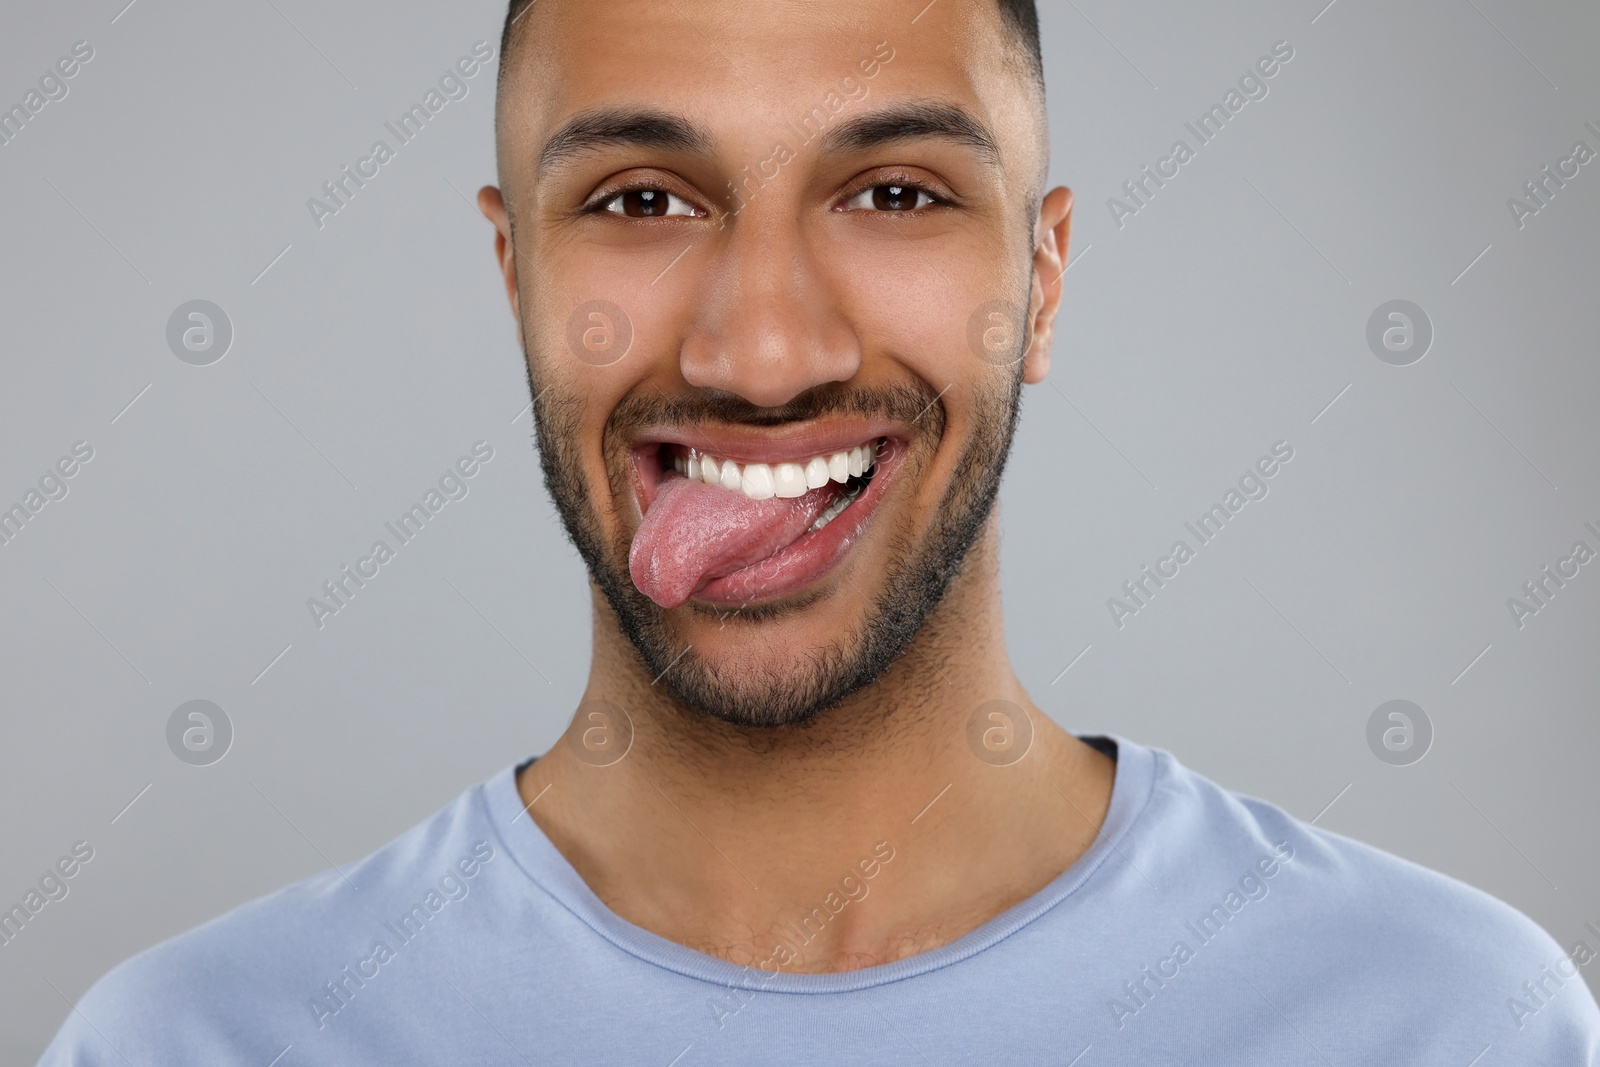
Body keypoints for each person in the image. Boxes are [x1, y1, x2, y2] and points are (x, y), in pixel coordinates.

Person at [40, 0, 1600, 1062]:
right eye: (646, 202)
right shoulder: (197, 1044)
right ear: (512, 274)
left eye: (898, 194)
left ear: (1041, 282)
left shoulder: (1449, 1024)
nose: (763, 353)